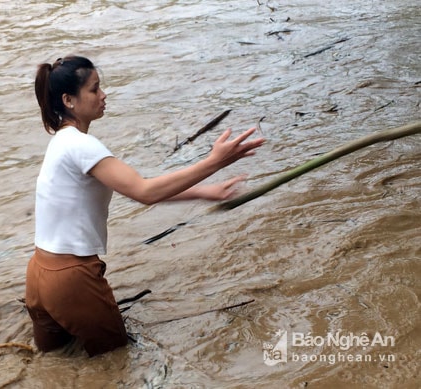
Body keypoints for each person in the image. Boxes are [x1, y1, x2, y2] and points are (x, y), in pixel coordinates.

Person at [25, 55, 265, 357]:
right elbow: (145, 192)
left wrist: (203, 192)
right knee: (116, 364)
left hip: (38, 275)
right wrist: (214, 162)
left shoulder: (62, 141)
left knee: (55, 363)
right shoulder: (82, 146)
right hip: (71, 281)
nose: (104, 95)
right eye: (95, 89)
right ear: (69, 100)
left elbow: (136, 188)